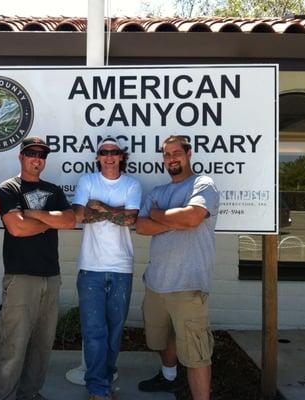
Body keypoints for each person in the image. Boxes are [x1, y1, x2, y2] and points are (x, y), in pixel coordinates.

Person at [0, 136, 75, 400]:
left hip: (51, 276)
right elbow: (16, 228)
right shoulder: (9, 189)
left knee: (42, 345)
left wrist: (35, 215)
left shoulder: (53, 189)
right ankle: (4, 396)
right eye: (31, 154)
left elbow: (71, 220)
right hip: (21, 277)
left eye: (41, 155)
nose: (36, 159)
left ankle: (30, 394)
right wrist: (52, 220)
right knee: (13, 347)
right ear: (21, 157)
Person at [136, 135, 219, 400]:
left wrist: (159, 216)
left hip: (189, 285)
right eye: (166, 154)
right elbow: (140, 226)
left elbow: (193, 217)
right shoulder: (159, 192)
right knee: (161, 340)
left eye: (176, 153)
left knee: (196, 353)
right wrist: (177, 220)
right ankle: (168, 378)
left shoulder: (203, 184)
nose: (171, 158)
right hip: (156, 284)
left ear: (189, 153)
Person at [72, 136, 142, 400]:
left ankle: (105, 375)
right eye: (104, 152)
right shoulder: (87, 181)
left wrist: (99, 206)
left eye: (114, 152)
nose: (109, 156)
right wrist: (116, 212)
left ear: (122, 156)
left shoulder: (132, 184)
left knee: (114, 331)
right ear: (98, 157)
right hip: (91, 268)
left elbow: (131, 219)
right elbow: (79, 215)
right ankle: (98, 389)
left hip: (122, 268)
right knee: (94, 331)